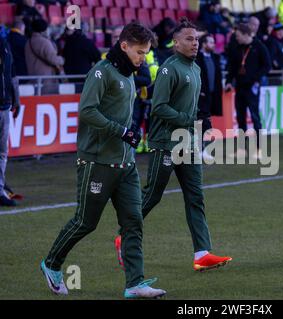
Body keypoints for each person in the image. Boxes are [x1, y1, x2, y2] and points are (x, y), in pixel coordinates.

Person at [40, 22, 166, 299]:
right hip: (97, 162)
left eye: (145, 53)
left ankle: (135, 283)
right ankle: (51, 264)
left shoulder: (129, 73)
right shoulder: (101, 72)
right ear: (124, 46)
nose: (143, 58)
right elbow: (86, 111)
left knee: (133, 222)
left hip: (126, 165)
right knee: (85, 222)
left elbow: (122, 111)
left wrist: (130, 131)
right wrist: (120, 130)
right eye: (140, 52)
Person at [114, 18, 232, 273]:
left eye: (197, 39)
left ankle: (202, 253)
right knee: (152, 195)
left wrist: (202, 115)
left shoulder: (195, 68)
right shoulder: (170, 69)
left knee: (195, 196)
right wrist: (188, 120)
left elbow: (191, 104)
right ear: (176, 43)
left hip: (187, 142)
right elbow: (159, 107)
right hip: (166, 142)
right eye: (189, 39)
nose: (195, 43)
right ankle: (123, 236)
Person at [225, 23, 271, 159]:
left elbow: (267, 65)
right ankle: (241, 149)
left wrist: (256, 78)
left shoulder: (259, 47)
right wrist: (228, 81)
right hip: (239, 87)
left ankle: (259, 149)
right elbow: (232, 67)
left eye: (238, 35)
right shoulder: (237, 48)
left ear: (246, 34)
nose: (236, 38)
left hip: (252, 87)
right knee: (240, 119)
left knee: (255, 118)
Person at [0, 37, 21, 207]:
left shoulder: (4, 44)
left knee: (2, 152)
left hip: (5, 106)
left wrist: (17, 100)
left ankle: (0, 191)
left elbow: (12, 73)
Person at [196, 33, 223, 161]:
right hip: (201, 96)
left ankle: (200, 150)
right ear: (204, 44)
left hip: (212, 96)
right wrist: (199, 91)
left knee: (205, 124)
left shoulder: (214, 57)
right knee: (202, 124)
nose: (213, 45)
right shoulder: (197, 58)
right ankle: (199, 150)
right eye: (211, 42)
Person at [24, 19, 64, 94]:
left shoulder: (28, 42)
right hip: (46, 81)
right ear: (44, 29)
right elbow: (53, 59)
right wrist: (62, 59)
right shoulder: (44, 42)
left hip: (33, 79)